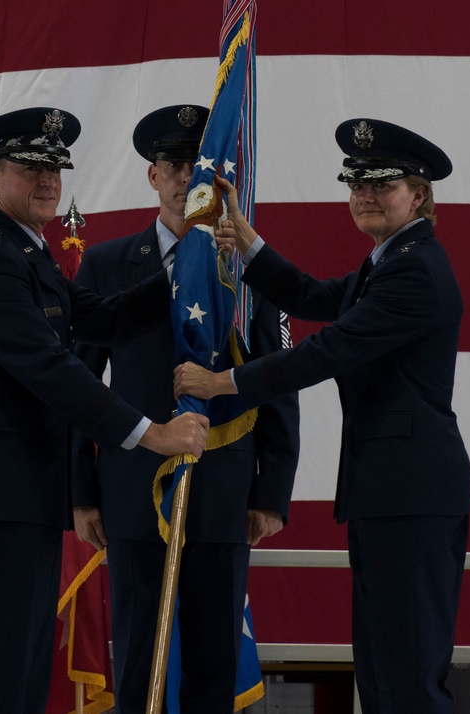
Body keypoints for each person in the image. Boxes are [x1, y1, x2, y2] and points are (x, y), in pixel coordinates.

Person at [174, 118, 470, 714]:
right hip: (390, 490)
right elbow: (309, 295)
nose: (364, 194)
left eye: (381, 185)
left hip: (410, 491)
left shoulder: (414, 270)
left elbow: (327, 350)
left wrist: (223, 381)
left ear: (419, 195)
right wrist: (245, 238)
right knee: (384, 666)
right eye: (356, 183)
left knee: (408, 670)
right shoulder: (388, 261)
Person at [0, 106, 209, 714]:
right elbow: (50, 370)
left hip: (21, 489)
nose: (49, 180)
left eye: (55, 167)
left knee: (20, 668)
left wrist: (194, 265)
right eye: (31, 168)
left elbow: (102, 318)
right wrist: (150, 433)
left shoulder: (28, 252)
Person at [71, 104, 301, 713]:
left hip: (224, 489)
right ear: (152, 176)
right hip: (132, 486)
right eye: (172, 164)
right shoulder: (106, 265)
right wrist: (82, 491)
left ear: (220, 174)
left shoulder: (250, 265)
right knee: (139, 660)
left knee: (212, 665)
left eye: (199, 164)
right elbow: (77, 383)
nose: (185, 177)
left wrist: (271, 492)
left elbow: (279, 380)